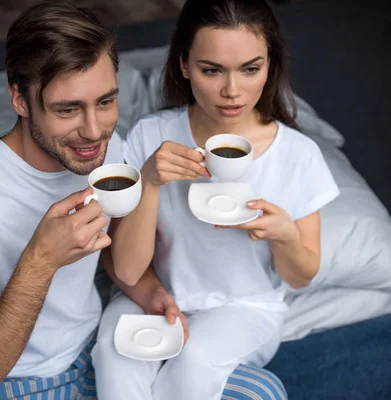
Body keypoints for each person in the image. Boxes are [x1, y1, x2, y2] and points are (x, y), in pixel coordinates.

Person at [0, 1, 290, 399]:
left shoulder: (110, 158)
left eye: (106, 102)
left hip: (98, 352)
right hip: (16, 381)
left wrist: (150, 293)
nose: (94, 131)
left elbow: (113, 244)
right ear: (20, 100)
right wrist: (40, 261)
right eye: (68, 109)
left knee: (264, 393)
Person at [92, 0, 339, 399]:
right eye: (211, 70)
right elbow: (127, 268)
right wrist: (150, 182)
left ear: (270, 65)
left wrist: (284, 235)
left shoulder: (298, 154)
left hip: (244, 309)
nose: (231, 91)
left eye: (250, 69)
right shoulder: (149, 137)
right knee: (114, 354)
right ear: (184, 66)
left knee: (196, 358)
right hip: (153, 295)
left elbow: (301, 275)